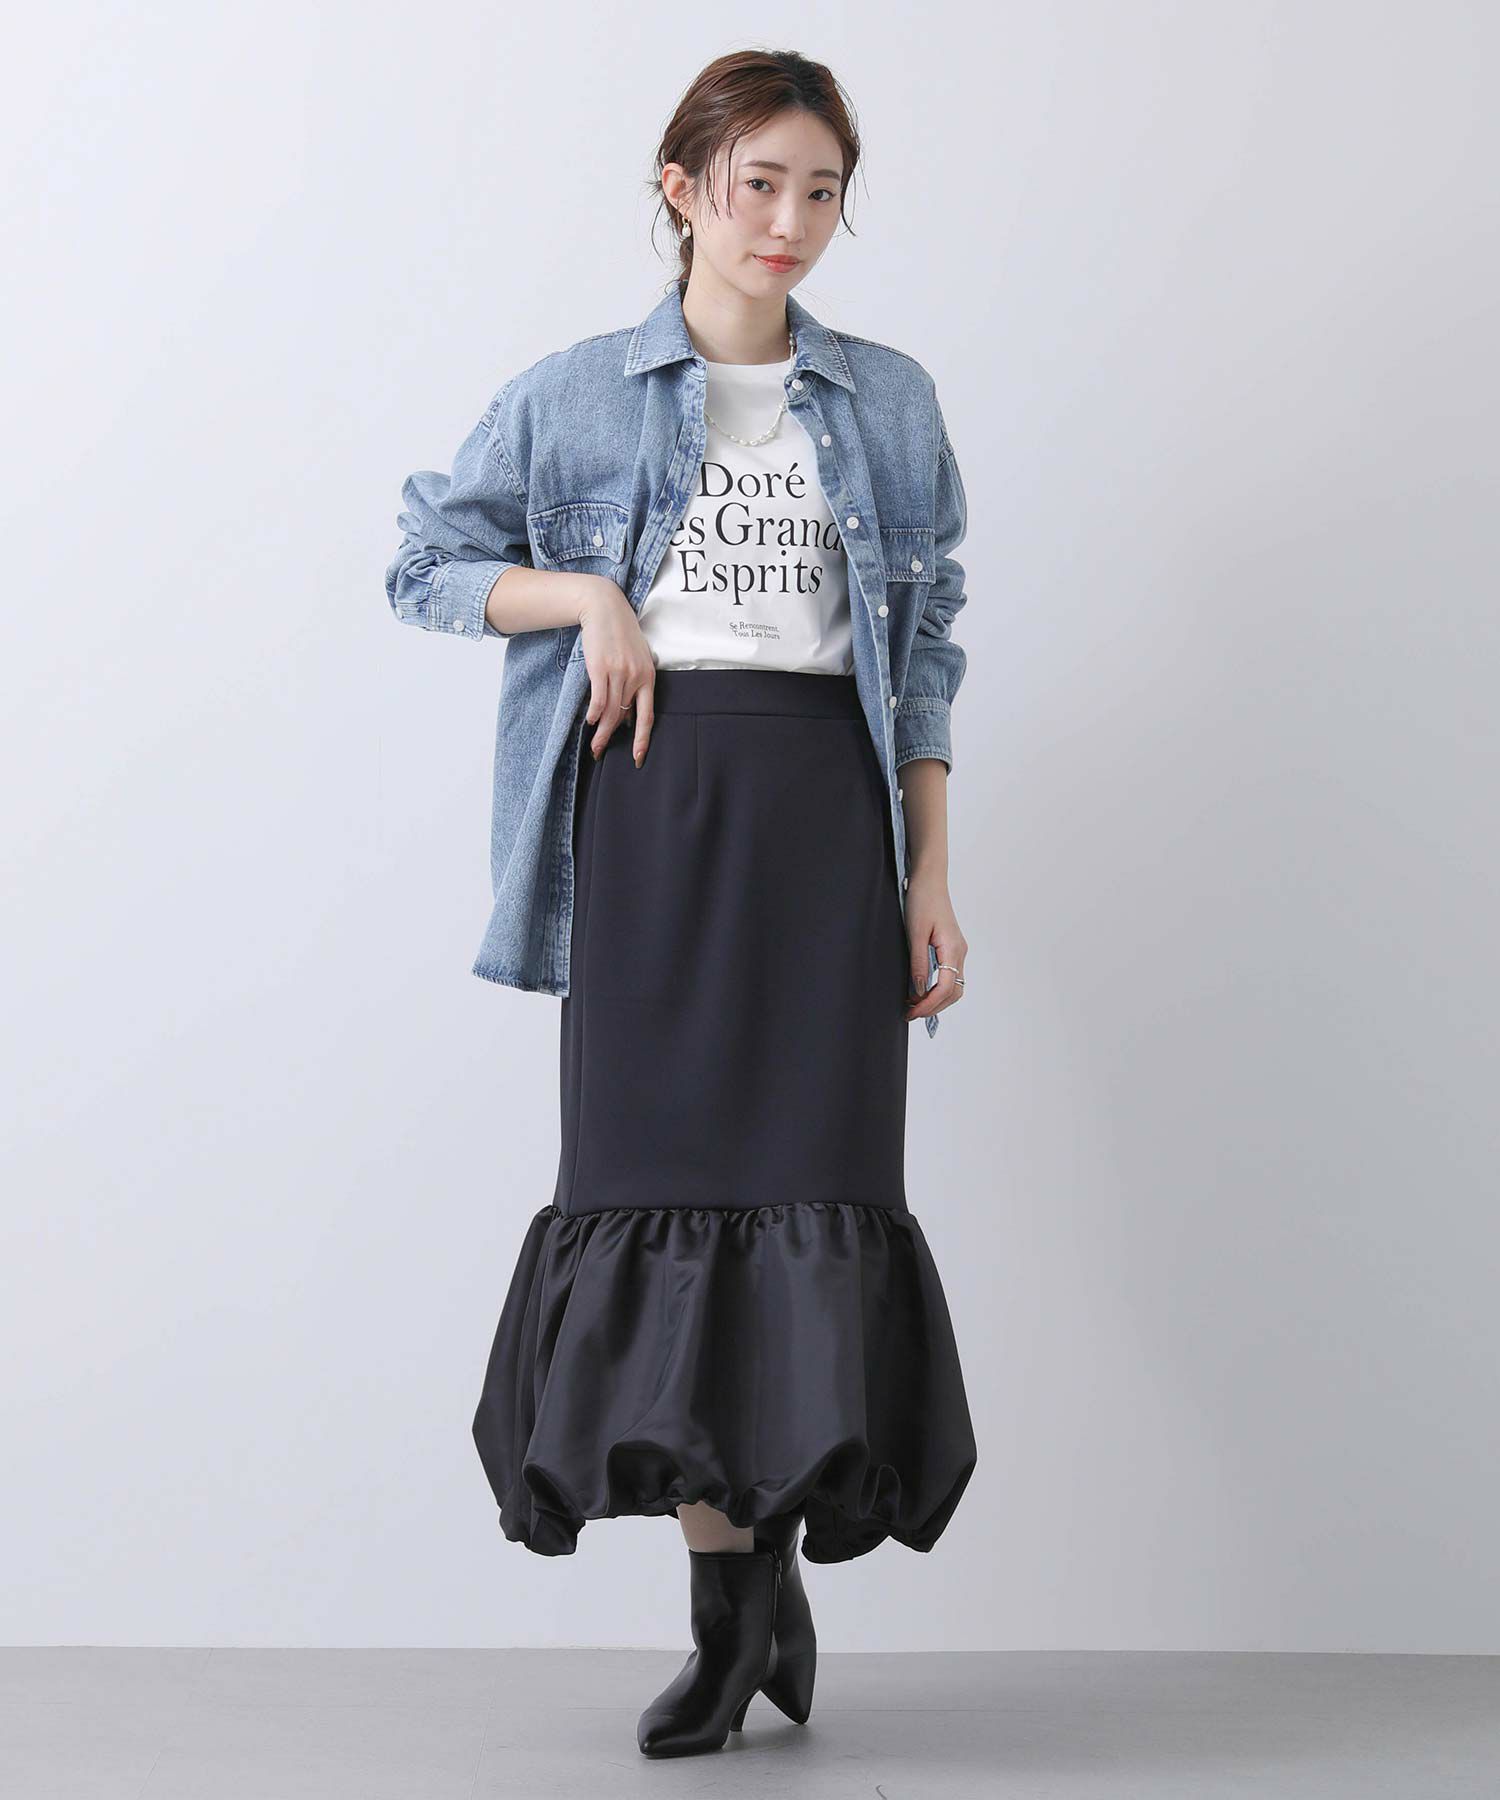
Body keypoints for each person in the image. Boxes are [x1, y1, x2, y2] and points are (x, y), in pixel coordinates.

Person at [384, 47, 979, 1759]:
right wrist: (585, 598)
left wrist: (930, 868)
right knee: (662, 1201)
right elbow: (423, 562)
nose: (788, 221)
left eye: (820, 191)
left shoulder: (890, 401)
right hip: (648, 828)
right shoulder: (577, 394)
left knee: (813, 1196)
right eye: (756, 184)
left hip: (824, 828)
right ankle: (734, 1606)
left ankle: (761, 1580)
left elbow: (927, 645)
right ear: (682, 187)